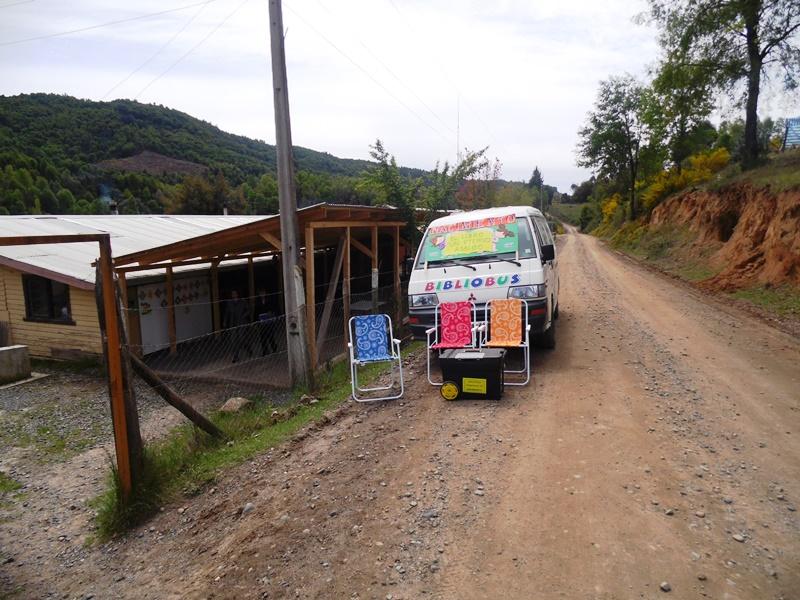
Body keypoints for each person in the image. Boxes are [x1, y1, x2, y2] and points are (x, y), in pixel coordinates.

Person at [223, 290, 251, 363]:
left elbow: (248, 310)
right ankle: (236, 356)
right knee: (234, 340)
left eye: (235, 293)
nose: (234, 295)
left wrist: (244, 316)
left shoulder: (243, 301)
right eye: (232, 293)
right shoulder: (229, 302)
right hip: (233, 324)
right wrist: (225, 321)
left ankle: (247, 348)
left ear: (238, 294)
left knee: (242, 339)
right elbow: (226, 312)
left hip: (241, 323)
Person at [254, 288, 279, 355]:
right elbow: (256, 312)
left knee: (270, 336)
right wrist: (255, 321)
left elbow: (274, 308)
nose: (262, 294)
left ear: (265, 293)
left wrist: (272, 314)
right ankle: (265, 351)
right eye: (260, 293)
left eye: (263, 293)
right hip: (261, 322)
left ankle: (274, 347)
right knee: (262, 337)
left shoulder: (269, 300)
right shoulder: (257, 301)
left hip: (269, 321)